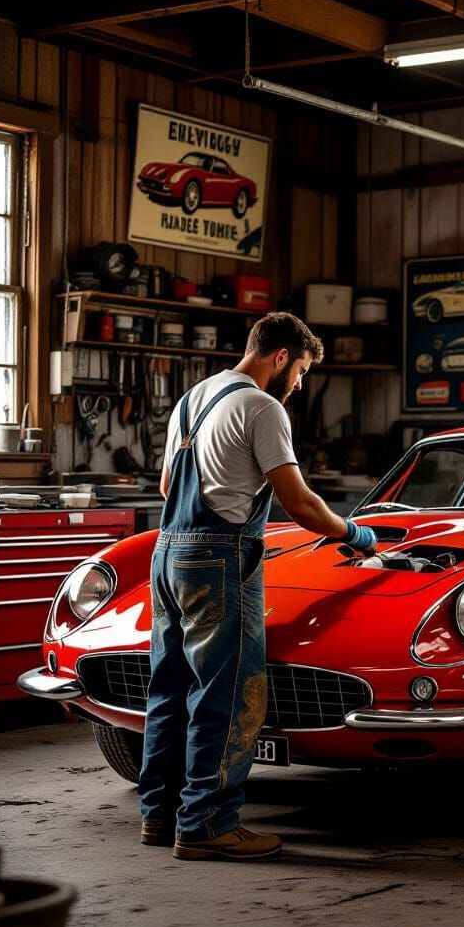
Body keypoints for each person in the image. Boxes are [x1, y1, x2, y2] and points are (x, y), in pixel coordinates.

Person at [138, 312, 377, 862]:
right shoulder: (262, 407)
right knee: (225, 693)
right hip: (220, 558)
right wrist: (355, 533)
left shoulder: (194, 398)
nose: (299, 384)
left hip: (167, 552)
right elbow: (300, 503)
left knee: (169, 690)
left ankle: (158, 815)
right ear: (281, 357)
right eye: (301, 371)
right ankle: (208, 824)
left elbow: (168, 483)